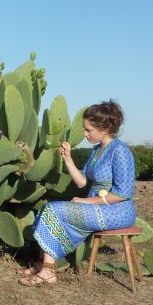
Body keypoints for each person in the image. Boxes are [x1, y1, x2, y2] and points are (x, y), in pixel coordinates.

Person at [18, 100, 136, 286]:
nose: (84, 134)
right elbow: (82, 181)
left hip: (117, 211)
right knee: (46, 209)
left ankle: (48, 272)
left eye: (89, 130)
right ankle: (42, 264)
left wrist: (87, 201)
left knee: (53, 211)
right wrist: (67, 158)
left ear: (104, 129)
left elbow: (122, 194)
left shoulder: (120, 151)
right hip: (98, 207)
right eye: (84, 129)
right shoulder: (98, 150)